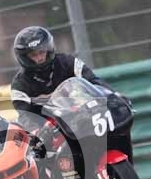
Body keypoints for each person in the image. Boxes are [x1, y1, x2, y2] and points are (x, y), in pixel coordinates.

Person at [10, 25, 134, 164]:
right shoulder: (19, 85)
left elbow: (93, 81)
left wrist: (112, 95)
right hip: (48, 129)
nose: (39, 58)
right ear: (24, 58)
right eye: (33, 55)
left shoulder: (68, 62)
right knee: (37, 157)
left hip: (75, 116)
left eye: (42, 52)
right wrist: (38, 130)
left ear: (48, 49)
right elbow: (25, 115)